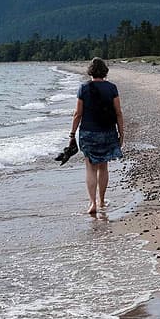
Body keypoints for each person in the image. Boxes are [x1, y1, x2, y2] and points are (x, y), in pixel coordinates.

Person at [68, 57, 124, 215]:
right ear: (105, 71)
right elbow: (118, 113)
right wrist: (121, 133)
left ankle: (92, 203)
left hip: (88, 133)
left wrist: (72, 134)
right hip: (107, 132)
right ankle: (101, 200)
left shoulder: (83, 88)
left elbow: (78, 114)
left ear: (90, 71)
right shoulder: (112, 88)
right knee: (103, 167)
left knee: (90, 169)